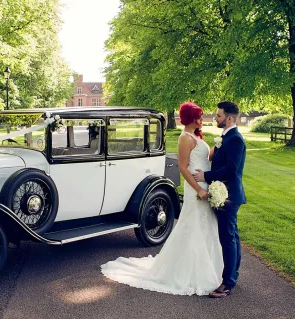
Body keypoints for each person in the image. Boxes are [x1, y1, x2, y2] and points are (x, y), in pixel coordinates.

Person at [100, 101, 223, 296]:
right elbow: (183, 167)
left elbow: (203, 159)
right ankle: (188, 272)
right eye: (199, 116)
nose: (202, 119)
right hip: (196, 188)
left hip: (204, 183)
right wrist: (199, 189)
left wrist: (217, 147)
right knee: (192, 227)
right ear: (191, 118)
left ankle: (210, 268)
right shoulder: (184, 138)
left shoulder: (196, 136)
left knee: (206, 226)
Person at [193, 101, 246, 298]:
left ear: (230, 118)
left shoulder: (235, 140)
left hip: (229, 196)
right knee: (232, 236)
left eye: (219, 115)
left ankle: (228, 284)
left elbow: (231, 170)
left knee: (228, 239)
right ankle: (233, 277)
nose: (215, 118)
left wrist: (206, 176)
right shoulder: (226, 137)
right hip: (224, 194)